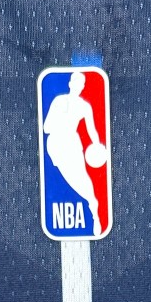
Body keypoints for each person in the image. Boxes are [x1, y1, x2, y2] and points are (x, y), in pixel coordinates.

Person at [42, 70, 104, 233]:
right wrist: (60, 117)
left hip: (73, 143)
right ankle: (90, 202)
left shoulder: (85, 106)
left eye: (81, 84)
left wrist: (97, 145)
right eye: (75, 82)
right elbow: (46, 127)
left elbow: (92, 130)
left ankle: (94, 210)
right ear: (70, 84)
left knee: (82, 176)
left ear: (83, 87)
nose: (78, 86)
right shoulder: (58, 101)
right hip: (56, 144)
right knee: (71, 178)